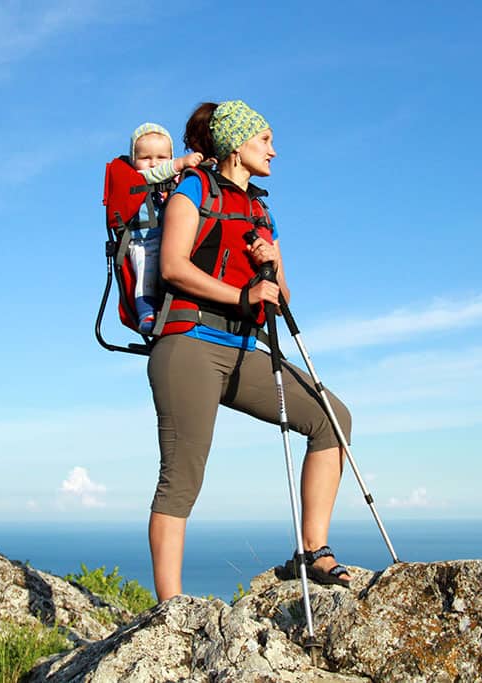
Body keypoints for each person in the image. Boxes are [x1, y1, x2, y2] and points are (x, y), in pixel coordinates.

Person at [147, 100, 353, 601]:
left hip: (241, 349)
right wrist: (242, 296)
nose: (274, 151)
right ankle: (170, 608)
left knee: (332, 418)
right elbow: (172, 267)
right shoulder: (191, 191)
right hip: (188, 345)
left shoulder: (262, 210)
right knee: (182, 477)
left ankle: (313, 551)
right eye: (266, 140)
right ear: (237, 145)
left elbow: (282, 299)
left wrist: (270, 263)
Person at [127, 123, 203, 333]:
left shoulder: (175, 178)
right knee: (146, 275)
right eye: (145, 158)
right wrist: (178, 163)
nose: (153, 164)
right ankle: (145, 313)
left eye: (161, 158)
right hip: (144, 240)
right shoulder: (136, 177)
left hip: (169, 237)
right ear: (133, 160)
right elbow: (154, 175)